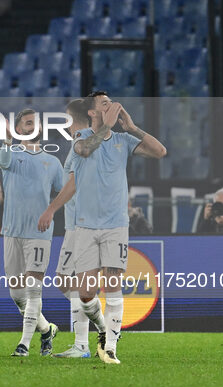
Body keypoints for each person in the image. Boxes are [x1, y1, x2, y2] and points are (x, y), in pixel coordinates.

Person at [39, 91, 166, 364]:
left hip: (116, 225)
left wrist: (132, 127)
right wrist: (107, 125)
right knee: (85, 294)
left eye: (112, 102)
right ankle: (102, 330)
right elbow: (85, 151)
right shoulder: (81, 139)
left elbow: (160, 151)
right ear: (93, 113)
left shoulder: (123, 139)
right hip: (85, 227)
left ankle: (110, 348)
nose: (112, 106)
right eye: (105, 104)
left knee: (112, 285)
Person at [0, 109, 62, 357]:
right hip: (12, 231)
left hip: (39, 232)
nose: (33, 126)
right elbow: (2, 162)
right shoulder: (11, 154)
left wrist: (53, 210)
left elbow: (63, 190)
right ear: (19, 128)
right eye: (27, 123)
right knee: (16, 292)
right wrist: (6, 139)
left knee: (34, 288)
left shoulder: (52, 162)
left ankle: (24, 344)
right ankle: (46, 330)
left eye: (36, 123)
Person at [52, 99, 96, 359]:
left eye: (66, 118)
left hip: (82, 225)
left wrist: (51, 208)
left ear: (72, 118)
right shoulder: (79, 143)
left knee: (75, 284)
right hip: (74, 225)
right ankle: (99, 324)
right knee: (64, 281)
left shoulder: (84, 143)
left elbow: (76, 184)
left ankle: (83, 344)